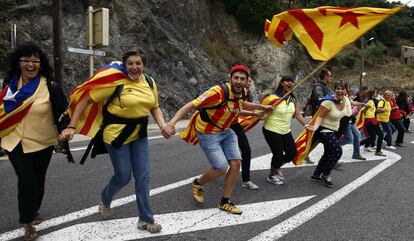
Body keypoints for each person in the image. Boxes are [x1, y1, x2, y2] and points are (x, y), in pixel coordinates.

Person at [59, 48, 167, 233]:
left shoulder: (149, 82)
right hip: (116, 135)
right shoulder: (115, 83)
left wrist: (163, 126)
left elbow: (154, 106)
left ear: (143, 65)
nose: (134, 67)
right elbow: (85, 100)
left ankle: (145, 219)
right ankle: (105, 198)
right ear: (125, 65)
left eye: (138, 63)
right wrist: (72, 126)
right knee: (123, 176)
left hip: (139, 134)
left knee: (143, 177)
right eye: (130, 64)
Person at [163, 65, 272, 214]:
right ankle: (198, 183)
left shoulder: (242, 92)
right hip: (208, 133)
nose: (239, 82)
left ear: (247, 81)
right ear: (230, 78)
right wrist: (171, 123)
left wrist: (260, 108)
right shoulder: (217, 92)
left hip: (226, 131)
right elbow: (191, 105)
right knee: (221, 167)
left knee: (235, 163)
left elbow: (239, 105)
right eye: (236, 78)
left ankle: (225, 201)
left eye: (242, 79)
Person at [0, 43, 70, 241]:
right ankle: (28, 222)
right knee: (27, 180)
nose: (30, 64)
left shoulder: (49, 86)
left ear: (41, 63)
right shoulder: (10, 84)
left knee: (38, 180)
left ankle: (35, 209)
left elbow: (64, 111)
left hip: (43, 141)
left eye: (35, 60)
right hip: (15, 140)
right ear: (18, 63)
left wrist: (67, 128)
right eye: (26, 60)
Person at [261, 75, 308, 185]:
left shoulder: (292, 99)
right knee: (277, 154)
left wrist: (306, 125)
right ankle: (272, 175)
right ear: (282, 83)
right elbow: (262, 111)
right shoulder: (272, 98)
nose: (290, 83)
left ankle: (276, 166)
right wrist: (263, 115)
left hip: (285, 130)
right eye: (287, 81)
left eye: (292, 81)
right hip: (271, 129)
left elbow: (297, 114)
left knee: (292, 153)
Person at [305, 80, 349, 188]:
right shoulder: (328, 102)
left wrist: (362, 104)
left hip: (334, 130)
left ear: (346, 91)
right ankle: (326, 174)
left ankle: (316, 174)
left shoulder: (345, 100)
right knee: (337, 151)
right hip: (324, 130)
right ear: (334, 90)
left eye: (342, 88)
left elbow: (351, 105)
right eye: (338, 88)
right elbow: (319, 116)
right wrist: (315, 127)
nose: (340, 90)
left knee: (329, 152)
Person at [230, 77, 261, 190]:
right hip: (223, 124)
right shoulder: (230, 92)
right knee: (225, 156)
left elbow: (245, 107)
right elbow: (242, 107)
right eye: (247, 81)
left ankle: (246, 180)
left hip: (235, 124)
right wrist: (257, 110)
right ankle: (218, 168)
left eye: (249, 82)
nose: (248, 83)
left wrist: (258, 112)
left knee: (246, 150)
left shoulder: (248, 93)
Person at [304, 69, 332, 164]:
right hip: (319, 116)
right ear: (325, 76)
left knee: (318, 138)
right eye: (329, 76)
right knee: (316, 138)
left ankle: (305, 154)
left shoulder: (325, 87)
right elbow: (321, 99)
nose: (331, 78)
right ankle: (304, 154)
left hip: (324, 117)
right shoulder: (318, 87)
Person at [363, 90, 386, 156]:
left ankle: (378, 151)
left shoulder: (372, 100)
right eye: (376, 93)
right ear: (373, 94)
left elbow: (373, 111)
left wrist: (380, 111)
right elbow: (362, 111)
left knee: (380, 135)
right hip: (368, 120)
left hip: (373, 119)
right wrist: (366, 109)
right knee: (373, 137)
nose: (377, 94)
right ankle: (359, 144)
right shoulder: (367, 101)